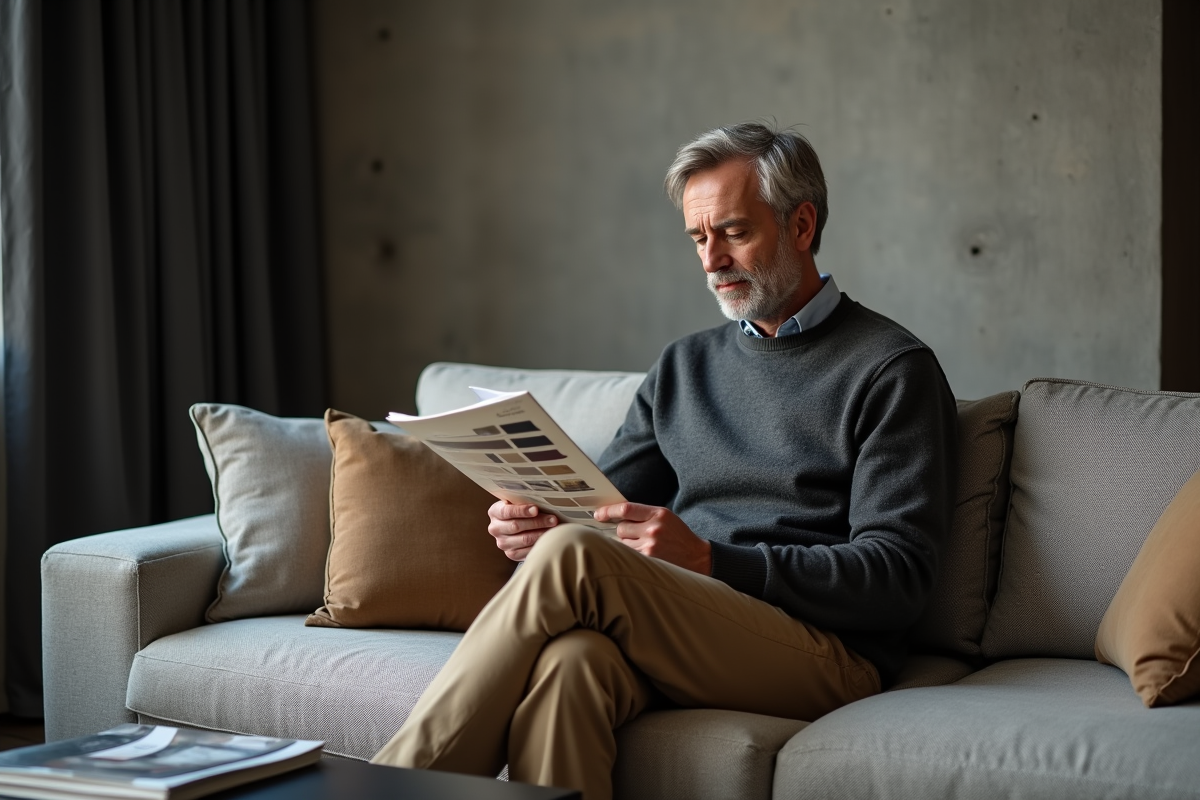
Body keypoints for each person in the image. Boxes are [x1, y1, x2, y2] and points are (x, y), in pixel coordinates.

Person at [371, 122, 958, 800]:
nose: (712, 260)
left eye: (734, 232)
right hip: (693, 623)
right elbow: (600, 507)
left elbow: (898, 577)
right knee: (571, 665)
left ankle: (382, 791)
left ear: (801, 224)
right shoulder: (685, 366)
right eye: (697, 238)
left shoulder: (891, 370)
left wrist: (712, 558)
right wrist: (533, 522)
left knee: (574, 558)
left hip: (828, 651)